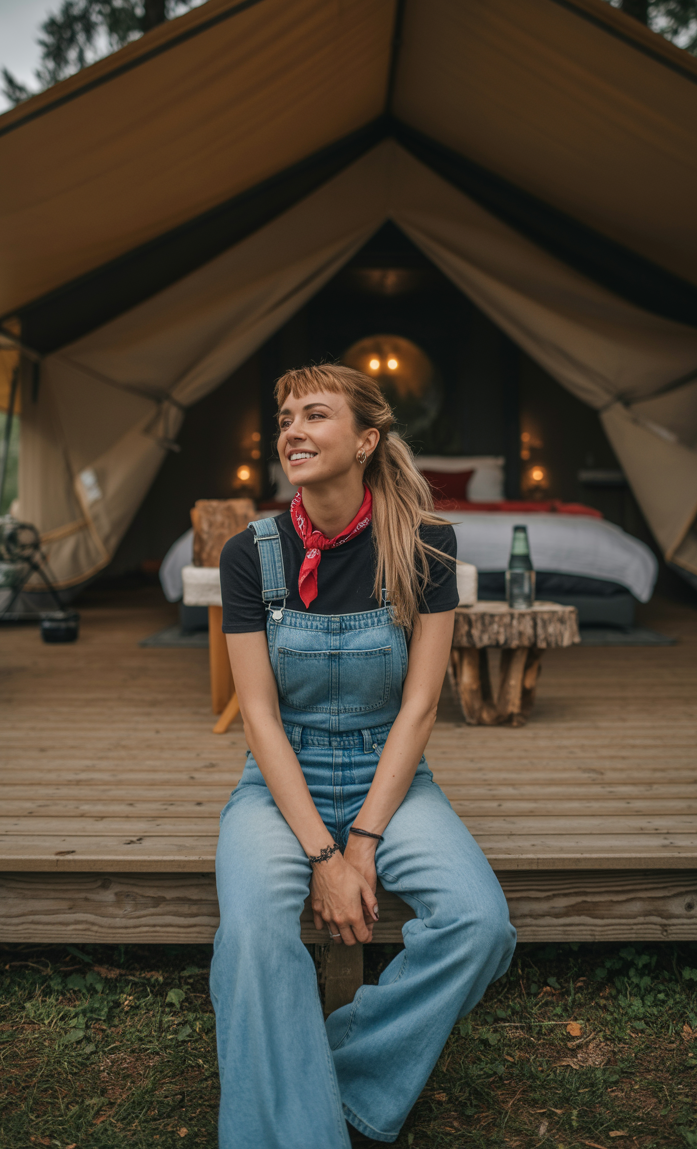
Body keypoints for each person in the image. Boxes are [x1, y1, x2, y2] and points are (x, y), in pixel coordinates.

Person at [209, 363, 515, 1148]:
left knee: (480, 924)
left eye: (314, 414)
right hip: (282, 783)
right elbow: (262, 721)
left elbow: (419, 709)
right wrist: (323, 854)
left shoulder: (427, 547)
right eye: (285, 418)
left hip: (393, 777)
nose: (292, 431)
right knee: (251, 933)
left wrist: (364, 843)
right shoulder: (252, 554)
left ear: (367, 440)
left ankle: (328, 1076)